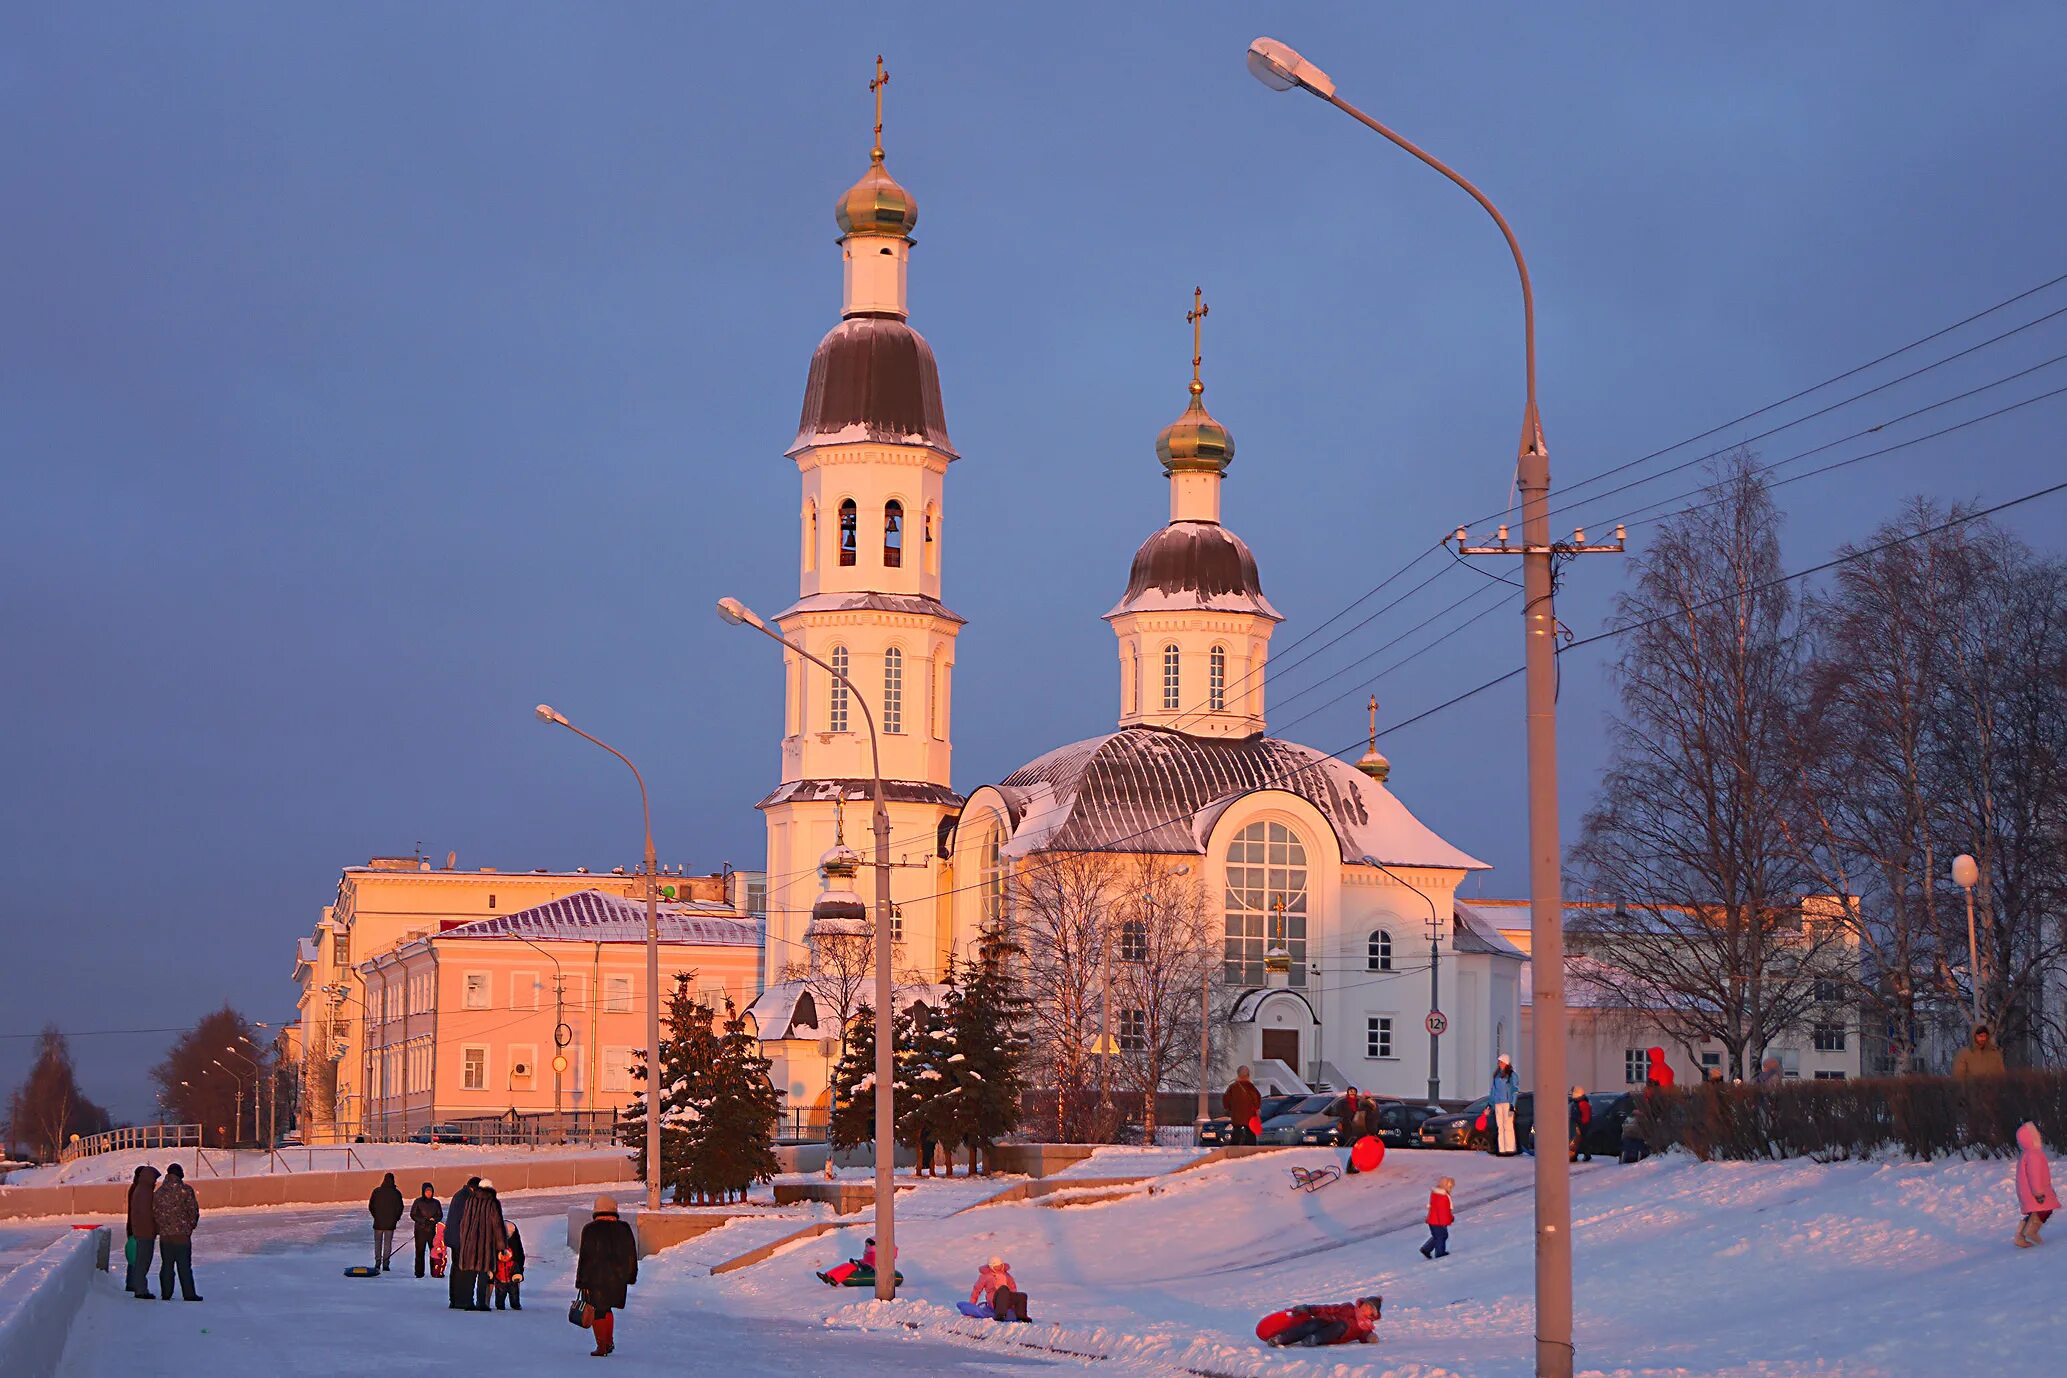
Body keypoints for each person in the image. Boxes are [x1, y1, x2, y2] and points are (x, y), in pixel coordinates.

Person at [576, 1194, 638, 1357]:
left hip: (595, 1278)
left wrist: (581, 1281)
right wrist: (630, 1276)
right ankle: (608, 1342)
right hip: (618, 1278)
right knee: (607, 1309)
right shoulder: (624, 1228)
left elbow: (585, 1257)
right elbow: (631, 1254)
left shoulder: (590, 1229)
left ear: (596, 1210)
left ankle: (602, 1345)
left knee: (597, 1311)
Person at [153, 1161, 202, 1301]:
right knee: (184, 1266)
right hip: (182, 1236)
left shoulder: (159, 1193)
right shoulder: (186, 1190)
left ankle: (166, 1294)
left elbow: (155, 1213)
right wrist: (189, 1228)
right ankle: (189, 1293)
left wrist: (161, 1227)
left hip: (165, 1236)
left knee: (167, 1265)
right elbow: (193, 1211)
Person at [458, 1177, 507, 1311]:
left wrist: (465, 1240)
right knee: (483, 1273)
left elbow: (464, 1223)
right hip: (485, 1243)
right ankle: (481, 1303)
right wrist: (502, 1245)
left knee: (471, 1274)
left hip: (470, 1242)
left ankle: (468, 1302)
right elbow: (497, 1225)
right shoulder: (492, 1202)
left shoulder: (470, 1200)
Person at [1262, 1296, 1382, 1348]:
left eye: (1369, 1308)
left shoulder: (1364, 1328)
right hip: (1324, 1323)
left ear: (1372, 1314)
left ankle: (1313, 1339)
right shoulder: (1348, 1307)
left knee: (1341, 1325)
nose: (1365, 1308)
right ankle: (1280, 1338)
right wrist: (1309, 1308)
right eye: (1366, 1304)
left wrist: (1370, 1337)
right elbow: (1328, 1308)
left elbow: (1364, 1336)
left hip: (1331, 1335)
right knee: (1312, 1324)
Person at [2014, 1121, 2056, 1248]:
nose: (2039, 1135)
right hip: (2036, 1191)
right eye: (2036, 1134)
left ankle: (2020, 1236)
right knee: (2045, 1210)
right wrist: (2038, 1193)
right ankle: (2031, 1231)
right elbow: (2034, 1175)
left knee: (2034, 1213)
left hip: (2027, 1192)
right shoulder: (2034, 1154)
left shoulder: (2026, 1153)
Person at [124, 1164, 161, 1299]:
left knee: (136, 1259)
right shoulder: (144, 1191)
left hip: (135, 1229)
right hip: (142, 1231)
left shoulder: (138, 1189)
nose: (156, 1182)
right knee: (141, 1260)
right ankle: (139, 1287)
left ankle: (133, 1284)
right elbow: (147, 1214)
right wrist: (155, 1228)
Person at [446, 1176, 480, 1309]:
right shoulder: (467, 1199)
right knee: (465, 1270)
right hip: (462, 1240)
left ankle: (454, 1300)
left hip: (455, 1238)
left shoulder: (459, 1195)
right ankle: (464, 1300)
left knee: (456, 1269)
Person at [963, 1255, 1028, 1321]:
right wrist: (971, 1306)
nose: (998, 1268)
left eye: (1000, 1265)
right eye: (996, 1266)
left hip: (1006, 1299)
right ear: (991, 1266)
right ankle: (1000, 1315)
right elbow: (976, 1290)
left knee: (1022, 1295)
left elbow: (1012, 1288)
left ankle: (1021, 1316)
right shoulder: (985, 1276)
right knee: (1003, 1289)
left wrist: (1014, 1306)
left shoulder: (1006, 1275)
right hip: (994, 1300)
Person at [369, 1171, 405, 1272]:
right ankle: (385, 1263)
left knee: (378, 1243)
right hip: (390, 1223)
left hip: (378, 1222)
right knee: (387, 1244)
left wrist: (375, 1216)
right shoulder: (396, 1193)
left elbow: (371, 1206)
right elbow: (400, 1207)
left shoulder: (377, 1191)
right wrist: (396, 1218)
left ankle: (377, 1262)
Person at [1223, 1067, 1263, 1147]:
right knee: (1250, 1136)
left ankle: (1233, 1151)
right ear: (1248, 1075)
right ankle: (1251, 1153)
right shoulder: (1251, 1087)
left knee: (1236, 1134)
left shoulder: (1232, 1087)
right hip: (1250, 1117)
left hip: (1236, 1117)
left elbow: (1226, 1103)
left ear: (1238, 1074)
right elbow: (1257, 1101)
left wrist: (1232, 1109)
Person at [410, 1183, 443, 1278]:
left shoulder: (436, 1203)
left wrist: (434, 1220)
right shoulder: (418, 1202)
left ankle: (435, 1271)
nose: (429, 1193)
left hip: (432, 1231)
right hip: (420, 1230)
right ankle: (419, 1272)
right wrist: (423, 1220)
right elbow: (413, 1214)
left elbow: (439, 1215)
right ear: (423, 1192)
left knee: (433, 1252)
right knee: (420, 1252)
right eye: (427, 1191)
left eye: (430, 1191)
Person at [1331, 1089, 1368, 1172]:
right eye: (1350, 1091)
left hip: (1358, 1127)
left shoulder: (1359, 1102)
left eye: (1353, 1091)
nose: (1352, 1093)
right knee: (1351, 1146)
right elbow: (1339, 1114)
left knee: (1356, 1146)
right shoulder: (1343, 1102)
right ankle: (1350, 1166)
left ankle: (1354, 1164)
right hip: (1347, 1126)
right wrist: (1340, 1122)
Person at [1489, 1055, 1520, 1156]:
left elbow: (1515, 1091)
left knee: (1508, 1126)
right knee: (1500, 1126)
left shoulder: (1511, 1075)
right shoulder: (1497, 1076)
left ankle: (1510, 1148)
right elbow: (1493, 1091)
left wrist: (1512, 1104)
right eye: (1499, 1062)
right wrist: (1490, 1103)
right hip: (1498, 1103)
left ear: (1506, 1063)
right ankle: (1502, 1149)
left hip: (1507, 1103)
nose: (1499, 1064)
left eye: (1501, 1062)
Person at [1420, 1177, 1454, 1259]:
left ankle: (1426, 1249)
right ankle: (1439, 1253)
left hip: (1433, 1220)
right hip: (1438, 1221)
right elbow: (1445, 1211)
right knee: (1442, 1236)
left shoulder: (1435, 1194)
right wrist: (1449, 1219)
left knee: (1437, 1236)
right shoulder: (1444, 1197)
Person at [495, 1224, 525, 1310]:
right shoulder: (498, 1263)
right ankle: (500, 1304)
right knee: (500, 1294)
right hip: (500, 1281)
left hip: (511, 1280)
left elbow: (517, 1268)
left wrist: (517, 1274)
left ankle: (515, 1304)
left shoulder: (512, 1263)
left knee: (514, 1293)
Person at [1568, 1086, 1593, 1163]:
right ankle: (1575, 1155)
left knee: (1579, 1141)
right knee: (1576, 1141)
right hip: (1577, 1125)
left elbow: (1585, 1118)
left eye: (1573, 1093)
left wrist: (1579, 1125)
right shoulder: (1577, 1103)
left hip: (1581, 1125)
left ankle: (1577, 1156)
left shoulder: (1582, 1104)